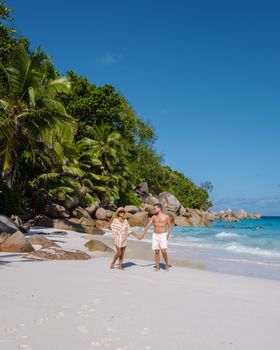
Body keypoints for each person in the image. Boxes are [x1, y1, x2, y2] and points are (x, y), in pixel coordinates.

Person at [140, 203, 172, 271]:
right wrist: (142, 235)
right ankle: (157, 267)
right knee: (156, 252)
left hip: (163, 235)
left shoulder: (166, 217)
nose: (154, 210)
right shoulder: (153, 217)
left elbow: (170, 227)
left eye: (155, 208)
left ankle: (166, 265)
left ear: (159, 208)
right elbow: (147, 226)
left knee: (163, 252)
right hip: (155, 235)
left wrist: (168, 235)